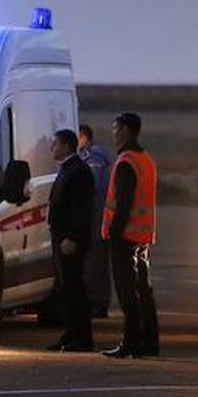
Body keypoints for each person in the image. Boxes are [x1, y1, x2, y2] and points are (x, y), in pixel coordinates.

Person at [102, 112, 160, 359]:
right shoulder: (146, 159)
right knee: (144, 291)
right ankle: (150, 341)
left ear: (125, 130)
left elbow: (123, 203)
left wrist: (114, 233)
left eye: (116, 128)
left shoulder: (126, 162)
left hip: (125, 237)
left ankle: (131, 342)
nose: (113, 134)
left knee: (128, 294)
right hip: (143, 236)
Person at [46, 129, 95, 352]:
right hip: (60, 238)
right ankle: (69, 333)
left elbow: (82, 209)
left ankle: (82, 338)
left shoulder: (79, 171)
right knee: (65, 288)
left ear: (66, 146)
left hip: (69, 240)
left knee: (75, 289)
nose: (52, 148)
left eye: (55, 144)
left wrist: (73, 237)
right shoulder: (67, 169)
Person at [78, 123, 114, 318]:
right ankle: (98, 300)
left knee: (96, 259)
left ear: (83, 136)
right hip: (98, 215)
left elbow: (94, 189)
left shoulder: (94, 157)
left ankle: (98, 301)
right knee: (95, 259)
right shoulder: (92, 156)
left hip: (97, 215)